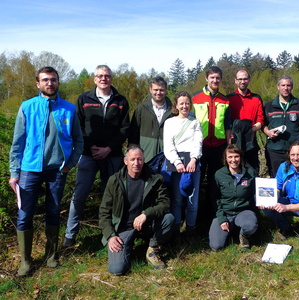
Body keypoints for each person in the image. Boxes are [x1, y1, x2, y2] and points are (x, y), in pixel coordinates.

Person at [9, 67, 83, 276]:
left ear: (58, 82)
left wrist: (69, 164)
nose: (50, 83)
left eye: (53, 80)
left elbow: (78, 141)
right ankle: (26, 260)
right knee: (24, 214)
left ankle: (51, 255)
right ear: (38, 84)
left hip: (57, 170)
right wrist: (14, 172)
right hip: (29, 169)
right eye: (45, 80)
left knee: (53, 211)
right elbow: (17, 143)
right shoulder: (27, 107)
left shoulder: (68, 109)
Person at [63, 65, 130, 247]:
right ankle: (70, 236)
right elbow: (78, 127)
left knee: (112, 196)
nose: (103, 79)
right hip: (88, 155)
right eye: (100, 76)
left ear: (111, 78)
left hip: (113, 155)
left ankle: (111, 234)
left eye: (107, 76)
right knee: (79, 195)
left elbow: (124, 129)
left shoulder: (121, 100)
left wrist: (109, 148)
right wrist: (91, 147)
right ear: (94, 79)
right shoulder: (84, 99)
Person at [99, 145, 175, 274]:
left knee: (169, 219)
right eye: (133, 159)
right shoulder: (115, 181)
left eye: (139, 159)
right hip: (124, 228)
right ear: (125, 161)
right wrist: (110, 236)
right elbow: (104, 212)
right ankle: (126, 248)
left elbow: (165, 204)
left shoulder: (154, 178)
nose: (136, 163)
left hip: (146, 224)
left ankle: (152, 249)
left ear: (144, 160)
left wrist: (146, 214)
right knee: (117, 269)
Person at [260, 141, 299, 238]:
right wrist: (269, 200)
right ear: (289, 155)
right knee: (263, 198)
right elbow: (277, 188)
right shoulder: (283, 167)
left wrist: (286, 208)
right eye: (292, 155)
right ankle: (285, 227)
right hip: (288, 201)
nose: (295, 158)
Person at [192, 66, 232, 215]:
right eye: (212, 77)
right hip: (200, 146)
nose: (215, 80)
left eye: (218, 78)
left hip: (219, 147)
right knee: (197, 180)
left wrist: (229, 146)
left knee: (215, 182)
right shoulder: (195, 98)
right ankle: (195, 214)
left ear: (221, 79)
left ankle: (212, 214)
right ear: (206, 78)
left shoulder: (225, 100)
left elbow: (228, 125)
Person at [163, 91, 203, 235]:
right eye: (181, 103)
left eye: (187, 103)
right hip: (176, 165)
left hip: (193, 164)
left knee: (193, 200)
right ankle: (175, 231)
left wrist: (194, 160)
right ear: (176, 105)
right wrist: (177, 163)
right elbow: (168, 145)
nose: (184, 106)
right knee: (177, 200)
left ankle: (190, 230)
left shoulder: (195, 122)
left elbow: (198, 142)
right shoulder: (170, 122)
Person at [209, 144, 258, 250]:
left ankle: (243, 235)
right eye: (230, 157)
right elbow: (215, 198)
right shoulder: (219, 174)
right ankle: (231, 229)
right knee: (216, 246)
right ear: (225, 159)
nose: (233, 160)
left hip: (243, 211)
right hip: (225, 212)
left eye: (236, 156)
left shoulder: (250, 173)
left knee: (251, 225)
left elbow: (256, 193)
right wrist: (222, 219)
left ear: (240, 158)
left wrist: (260, 204)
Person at [263, 75, 299, 177]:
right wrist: (268, 132)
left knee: (296, 177)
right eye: (283, 85)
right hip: (275, 149)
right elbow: (262, 124)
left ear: (292, 87)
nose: (286, 88)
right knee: (276, 178)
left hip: (295, 151)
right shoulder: (269, 105)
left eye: (288, 85)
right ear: (278, 87)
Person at [226, 69, 264, 174]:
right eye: (240, 79)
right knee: (234, 172)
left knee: (252, 172)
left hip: (250, 142)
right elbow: (226, 122)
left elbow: (260, 120)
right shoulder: (229, 99)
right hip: (235, 142)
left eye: (245, 79)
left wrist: (248, 131)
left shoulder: (256, 98)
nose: (243, 81)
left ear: (249, 80)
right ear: (235, 80)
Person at [129, 76, 173, 162]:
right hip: (146, 157)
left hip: (168, 158)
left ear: (166, 90)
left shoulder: (174, 110)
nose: (158, 92)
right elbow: (133, 134)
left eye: (161, 90)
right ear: (150, 90)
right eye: (155, 90)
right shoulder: (141, 109)